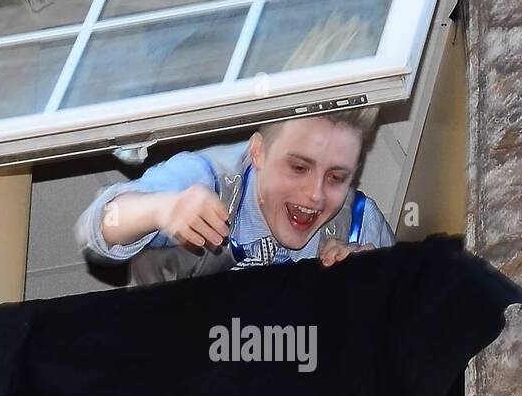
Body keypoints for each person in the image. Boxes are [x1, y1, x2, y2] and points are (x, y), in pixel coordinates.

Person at [75, 109, 395, 284]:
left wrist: (369, 289)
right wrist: (162, 209)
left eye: (337, 177)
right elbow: (95, 227)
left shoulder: (359, 224)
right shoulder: (205, 178)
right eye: (298, 168)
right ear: (258, 152)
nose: (314, 195)